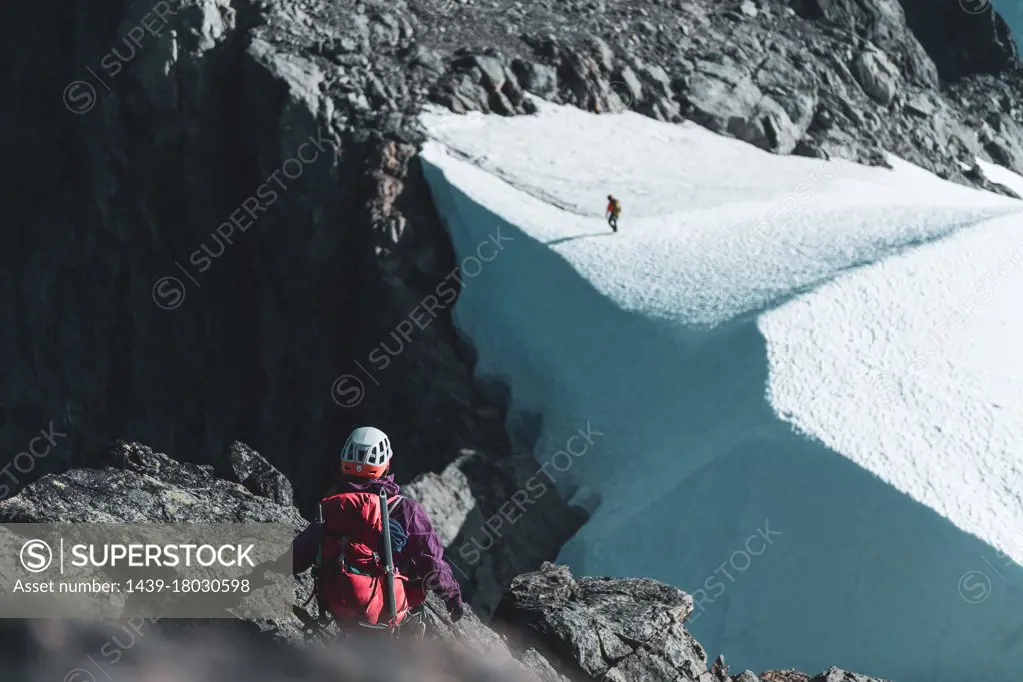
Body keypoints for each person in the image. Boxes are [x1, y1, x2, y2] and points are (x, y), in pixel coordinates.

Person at [292, 426, 464, 636]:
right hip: (386, 610)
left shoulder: (335, 505)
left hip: (338, 606)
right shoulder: (404, 508)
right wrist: (452, 596)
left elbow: (299, 554)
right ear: (386, 464)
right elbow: (430, 559)